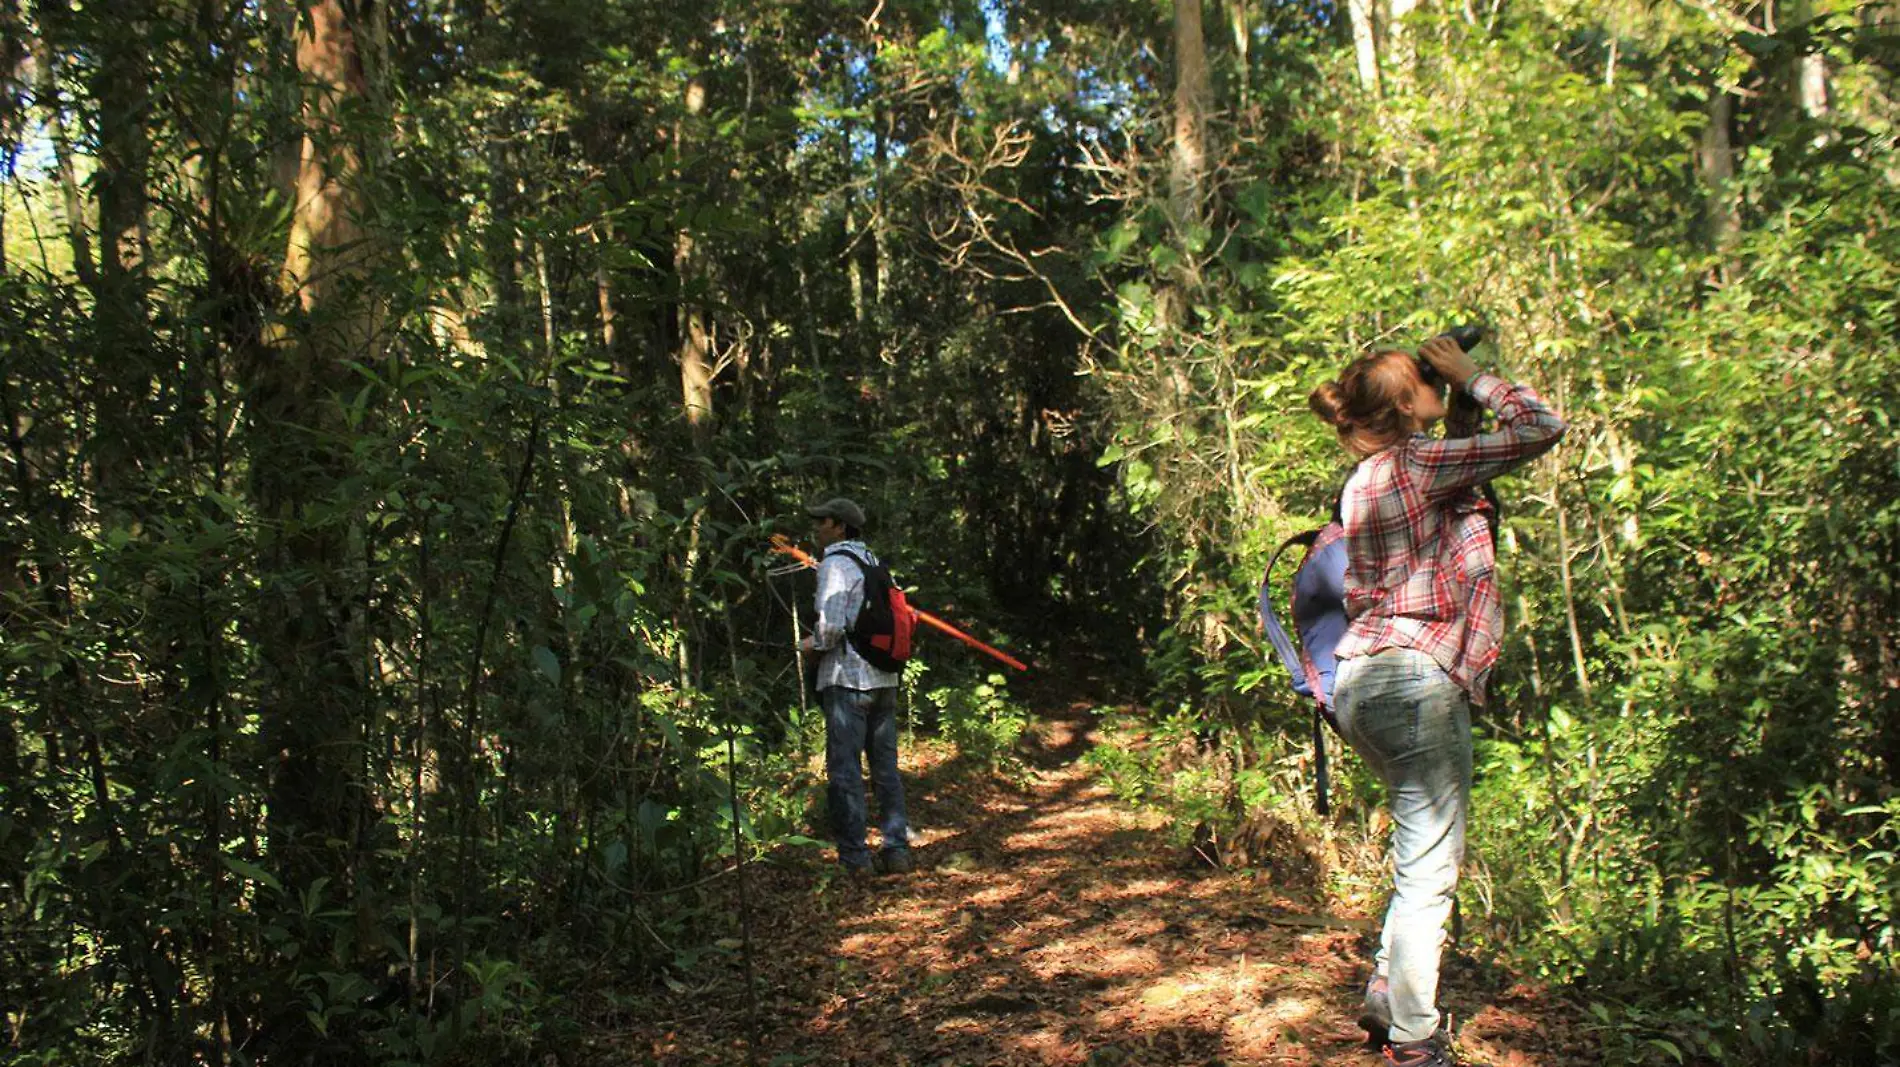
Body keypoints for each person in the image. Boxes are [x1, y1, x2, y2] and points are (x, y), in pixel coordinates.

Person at [1308, 335, 1566, 1067]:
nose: (1435, 381)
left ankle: (1390, 992)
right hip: (1417, 679)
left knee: (1414, 852)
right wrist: (1473, 376)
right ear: (1402, 405)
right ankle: (1416, 1044)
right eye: (1424, 380)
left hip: (1363, 679)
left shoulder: (1367, 477)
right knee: (1429, 873)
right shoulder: (1419, 464)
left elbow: (1452, 498)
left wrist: (1454, 406)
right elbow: (1543, 427)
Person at [798, 497, 915, 877]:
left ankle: (856, 860)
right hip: (885, 680)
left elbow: (829, 630)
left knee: (845, 773)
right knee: (886, 771)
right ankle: (896, 851)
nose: (817, 528)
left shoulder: (835, 564)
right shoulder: (875, 563)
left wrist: (808, 647)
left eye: (823, 521)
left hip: (848, 682)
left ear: (840, 526)